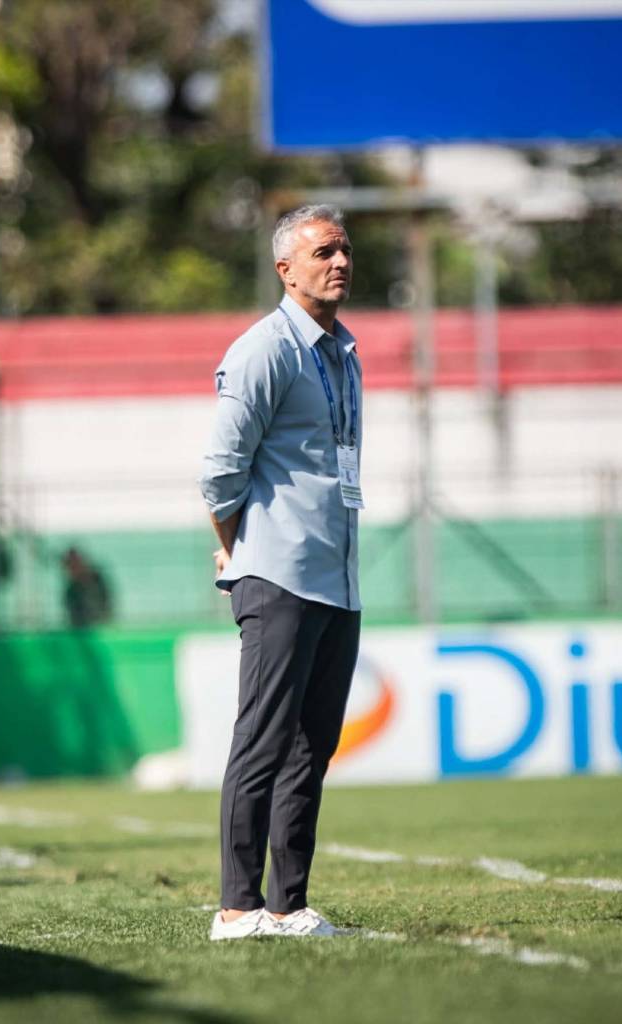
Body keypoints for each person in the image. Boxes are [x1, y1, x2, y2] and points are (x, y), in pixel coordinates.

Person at [199, 205, 362, 940]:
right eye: (324, 250)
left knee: (311, 750)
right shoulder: (264, 350)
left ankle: (288, 904)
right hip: (278, 575)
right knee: (261, 743)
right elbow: (220, 474)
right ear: (285, 268)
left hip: (338, 577)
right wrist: (236, 551)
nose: (340, 261)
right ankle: (236, 907)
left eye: (344, 249)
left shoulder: (344, 352)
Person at [61, 546, 112, 629]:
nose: (73, 569)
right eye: (71, 566)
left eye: (75, 564)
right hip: (82, 630)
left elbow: (107, 606)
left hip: (102, 626)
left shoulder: (97, 579)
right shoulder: (70, 591)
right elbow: (73, 617)